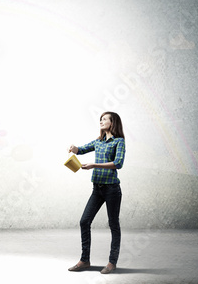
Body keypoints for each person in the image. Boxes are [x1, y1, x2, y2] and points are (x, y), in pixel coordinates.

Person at [67, 111, 126, 275]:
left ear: (113, 122)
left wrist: (94, 165)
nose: (101, 121)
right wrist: (74, 148)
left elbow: (118, 163)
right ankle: (85, 260)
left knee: (113, 224)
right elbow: (82, 149)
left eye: (104, 119)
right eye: (100, 119)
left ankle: (112, 262)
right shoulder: (98, 141)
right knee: (84, 221)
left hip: (112, 189)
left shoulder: (119, 141)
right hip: (97, 188)